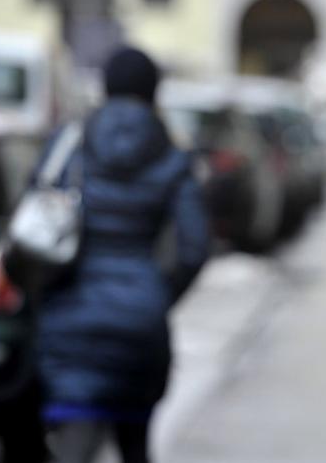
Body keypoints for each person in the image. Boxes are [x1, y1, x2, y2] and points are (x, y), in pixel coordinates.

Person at [34, 46, 209, 463]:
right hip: (140, 329)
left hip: (71, 327)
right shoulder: (173, 154)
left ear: (105, 87)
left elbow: (35, 224)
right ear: (154, 92)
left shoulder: (69, 144)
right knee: (135, 447)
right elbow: (194, 249)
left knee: (72, 447)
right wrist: (155, 295)